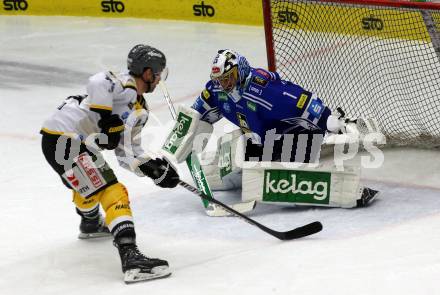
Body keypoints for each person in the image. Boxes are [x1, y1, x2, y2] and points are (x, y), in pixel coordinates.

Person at [162, 49, 378, 209]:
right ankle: (237, 173)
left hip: (298, 140)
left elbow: (305, 102)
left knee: (261, 180)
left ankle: (345, 190)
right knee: (235, 150)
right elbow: (197, 114)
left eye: (227, 79)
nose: (223, 85)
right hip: (262, 140)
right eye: (219, 80)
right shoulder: (218, 92)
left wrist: (333, 123)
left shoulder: (265, 92)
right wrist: (181, 140)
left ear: (241, 72)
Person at [40, 44, 180, 283]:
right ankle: (131, 257)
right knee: (112, 191)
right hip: (65, 138)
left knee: (92, 183)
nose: (158, 80)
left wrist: (153, 169)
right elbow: (96, 81)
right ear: (147, 73)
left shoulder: (139, 109)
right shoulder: (123, 85)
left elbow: (128, 153)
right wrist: (106, 118)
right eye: (157, 74)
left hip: (65, 141)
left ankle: (91, 221)